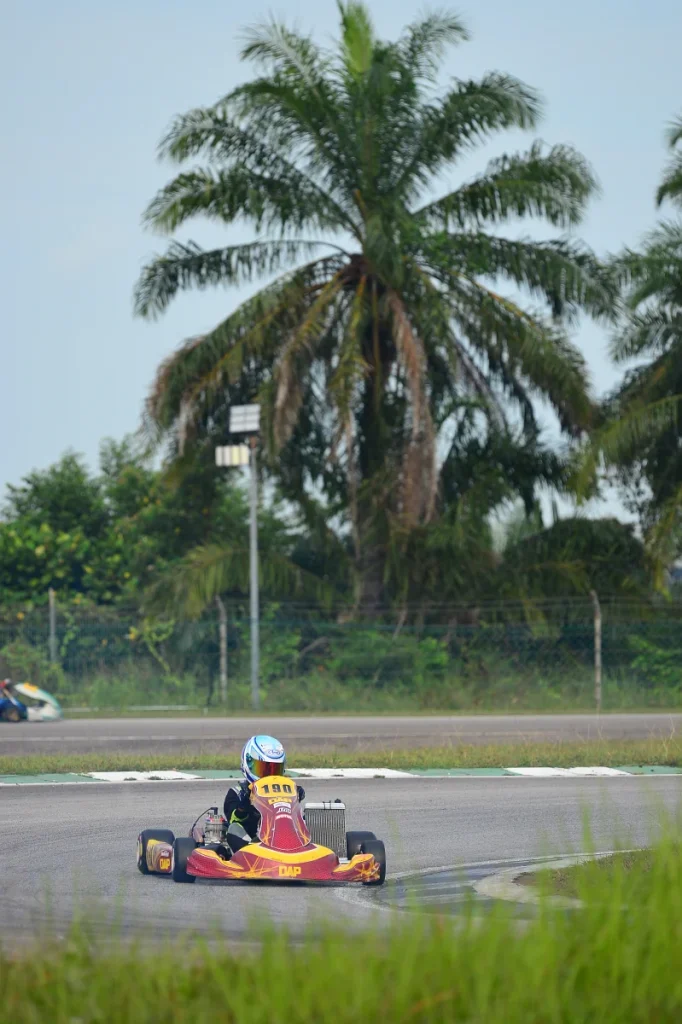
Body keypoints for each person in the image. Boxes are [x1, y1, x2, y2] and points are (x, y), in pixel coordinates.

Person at [223, 735, 305, 853]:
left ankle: (305, 851)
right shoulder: (237, 793)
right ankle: (250, 853)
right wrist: (244, 804)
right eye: (264, 770)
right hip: (251, 846)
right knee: (233, 828)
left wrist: (295, 796)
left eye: (275, 770)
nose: (270, 776)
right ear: (249, 763)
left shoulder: (287, 790)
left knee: (308, 818)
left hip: (285, 839)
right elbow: (234, 820)